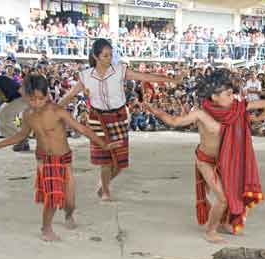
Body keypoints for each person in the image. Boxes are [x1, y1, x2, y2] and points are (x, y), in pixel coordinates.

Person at [143, 68, 265, 243]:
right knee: (222, 198)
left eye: (232, 93)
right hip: (205, 161)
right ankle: (210, 230)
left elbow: (259, 105)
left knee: (232, 192)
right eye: (227, 94)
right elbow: (175, 121)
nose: (232, 97)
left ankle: (224, 223)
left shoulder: (236, 108)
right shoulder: (200, 113)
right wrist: (153, 110)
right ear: (214, 97)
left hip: (227, 160)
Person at [0, 75, 120, 241]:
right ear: (26, 98)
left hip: (64, 159)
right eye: (32, 99)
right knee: (52, 195)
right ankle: (46, 229)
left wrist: (104, 144)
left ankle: (68, 214)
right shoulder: (28, 115)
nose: (36, 103)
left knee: (70, 202)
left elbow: (82, 129)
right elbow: (21, 135)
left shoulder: (57, 111)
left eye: (40, 98)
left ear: (47, 95)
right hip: (45, 159)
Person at [59, 38, 184, 201]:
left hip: (118, 118)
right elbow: (70, 96)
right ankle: (105, 190)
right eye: (105, 55)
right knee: (105, 161)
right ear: (96, 57)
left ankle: (104, 184)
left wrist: (171, 80)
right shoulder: (85, 76)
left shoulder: (119, 70)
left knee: (119, 162)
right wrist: (51, 108)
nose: (109, 58)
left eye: (111, 55)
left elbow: (144, 76)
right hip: (97, 119)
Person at [0, 65, 29, 151]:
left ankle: (21, 139)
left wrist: (31, 103)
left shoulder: (2, 80)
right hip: (10, 101)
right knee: (0, 124)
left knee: (2, 116)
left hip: (22, 98)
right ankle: (19, 140)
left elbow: (20, 89)